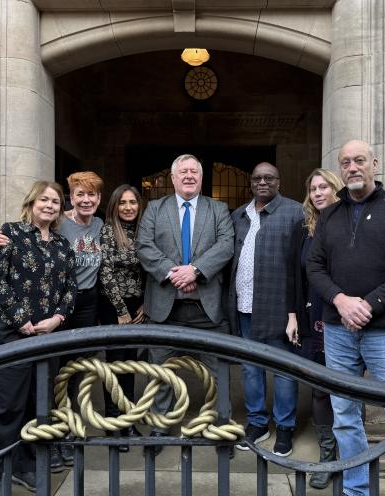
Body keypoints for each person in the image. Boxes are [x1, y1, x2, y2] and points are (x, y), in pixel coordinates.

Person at [306, 140, 385, 496]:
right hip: (338, 330)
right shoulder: (329, 214)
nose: (352, 167)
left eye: (359, 160)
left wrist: (369, 304)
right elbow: (314, 266)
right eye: (345, 162)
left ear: (374, 164)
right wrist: (341, 301)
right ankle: (357, 490)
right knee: (344, 417)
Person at [0, 171, 104, 471]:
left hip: (47, 334)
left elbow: (70, 287)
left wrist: (58, 318)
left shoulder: (62, 245)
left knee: (39, 401)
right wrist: (22, 320)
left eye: (55, 202)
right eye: (44, 200)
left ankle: (31, 464)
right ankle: (2, 472)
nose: (50, 205)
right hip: (7, 331)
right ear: (32, 202)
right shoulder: (8, 233)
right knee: (7, 404)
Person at [135, 154, 234, 454]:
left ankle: (222, 428)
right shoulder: (155, 208)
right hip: (166, 308)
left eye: (194, 171)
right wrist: (173, 273)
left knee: (219, 373)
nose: (189, 176)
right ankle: (159, 426)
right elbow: (144, 246)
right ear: (173, 178)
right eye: (183, 172)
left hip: (208, 309)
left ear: (201, 178)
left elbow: (226, 244)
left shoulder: (218, 209)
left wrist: (196, 270)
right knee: (160, 372)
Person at [230, 162, 304, 457]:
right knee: (250, 369)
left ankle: (284, 427)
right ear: (251, 182)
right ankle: (258, 423)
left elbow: (302, 266)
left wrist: (295, 311)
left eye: (268, 178)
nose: (262, 182)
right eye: (257, 177)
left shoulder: (294, 212)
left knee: (284, 370)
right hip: (244, 306)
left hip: (279, 307)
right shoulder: (239, 215)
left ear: (278, 182)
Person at [286, 168, 344, 488]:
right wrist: (293, 315)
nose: (318, 193)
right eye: (313, 188)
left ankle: (351, 453)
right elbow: (294, 274)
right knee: (319, 388)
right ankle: (328, 456)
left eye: (324, 187)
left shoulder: (350, 225)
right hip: (311, 315)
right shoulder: (303, 228)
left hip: (343, 316)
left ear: (336, 189)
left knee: (346, 389)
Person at [98, 184, 145, 451]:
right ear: (115, 206)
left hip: (137, 306)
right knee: (114, 364)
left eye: (133, 202)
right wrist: (121, 311)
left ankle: (128, 419)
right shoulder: (107, 232)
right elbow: (105, 273)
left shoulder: (142, 232)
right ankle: (113, 423)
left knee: (130, 364)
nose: (128, 207)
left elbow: (148, 270)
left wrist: (145, 303)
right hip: (113, 307)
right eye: (123, 203)